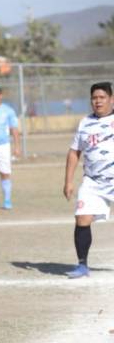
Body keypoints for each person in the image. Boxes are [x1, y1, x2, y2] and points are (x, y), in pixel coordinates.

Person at [62, 82, 114, 279]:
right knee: (82, 218)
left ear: (111, 99)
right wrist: (68, 181)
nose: (98, 101)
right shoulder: (85, 123)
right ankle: (82, 265)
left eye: (102, 97)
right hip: (93, 181)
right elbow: (74, 152)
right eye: (94, 98)